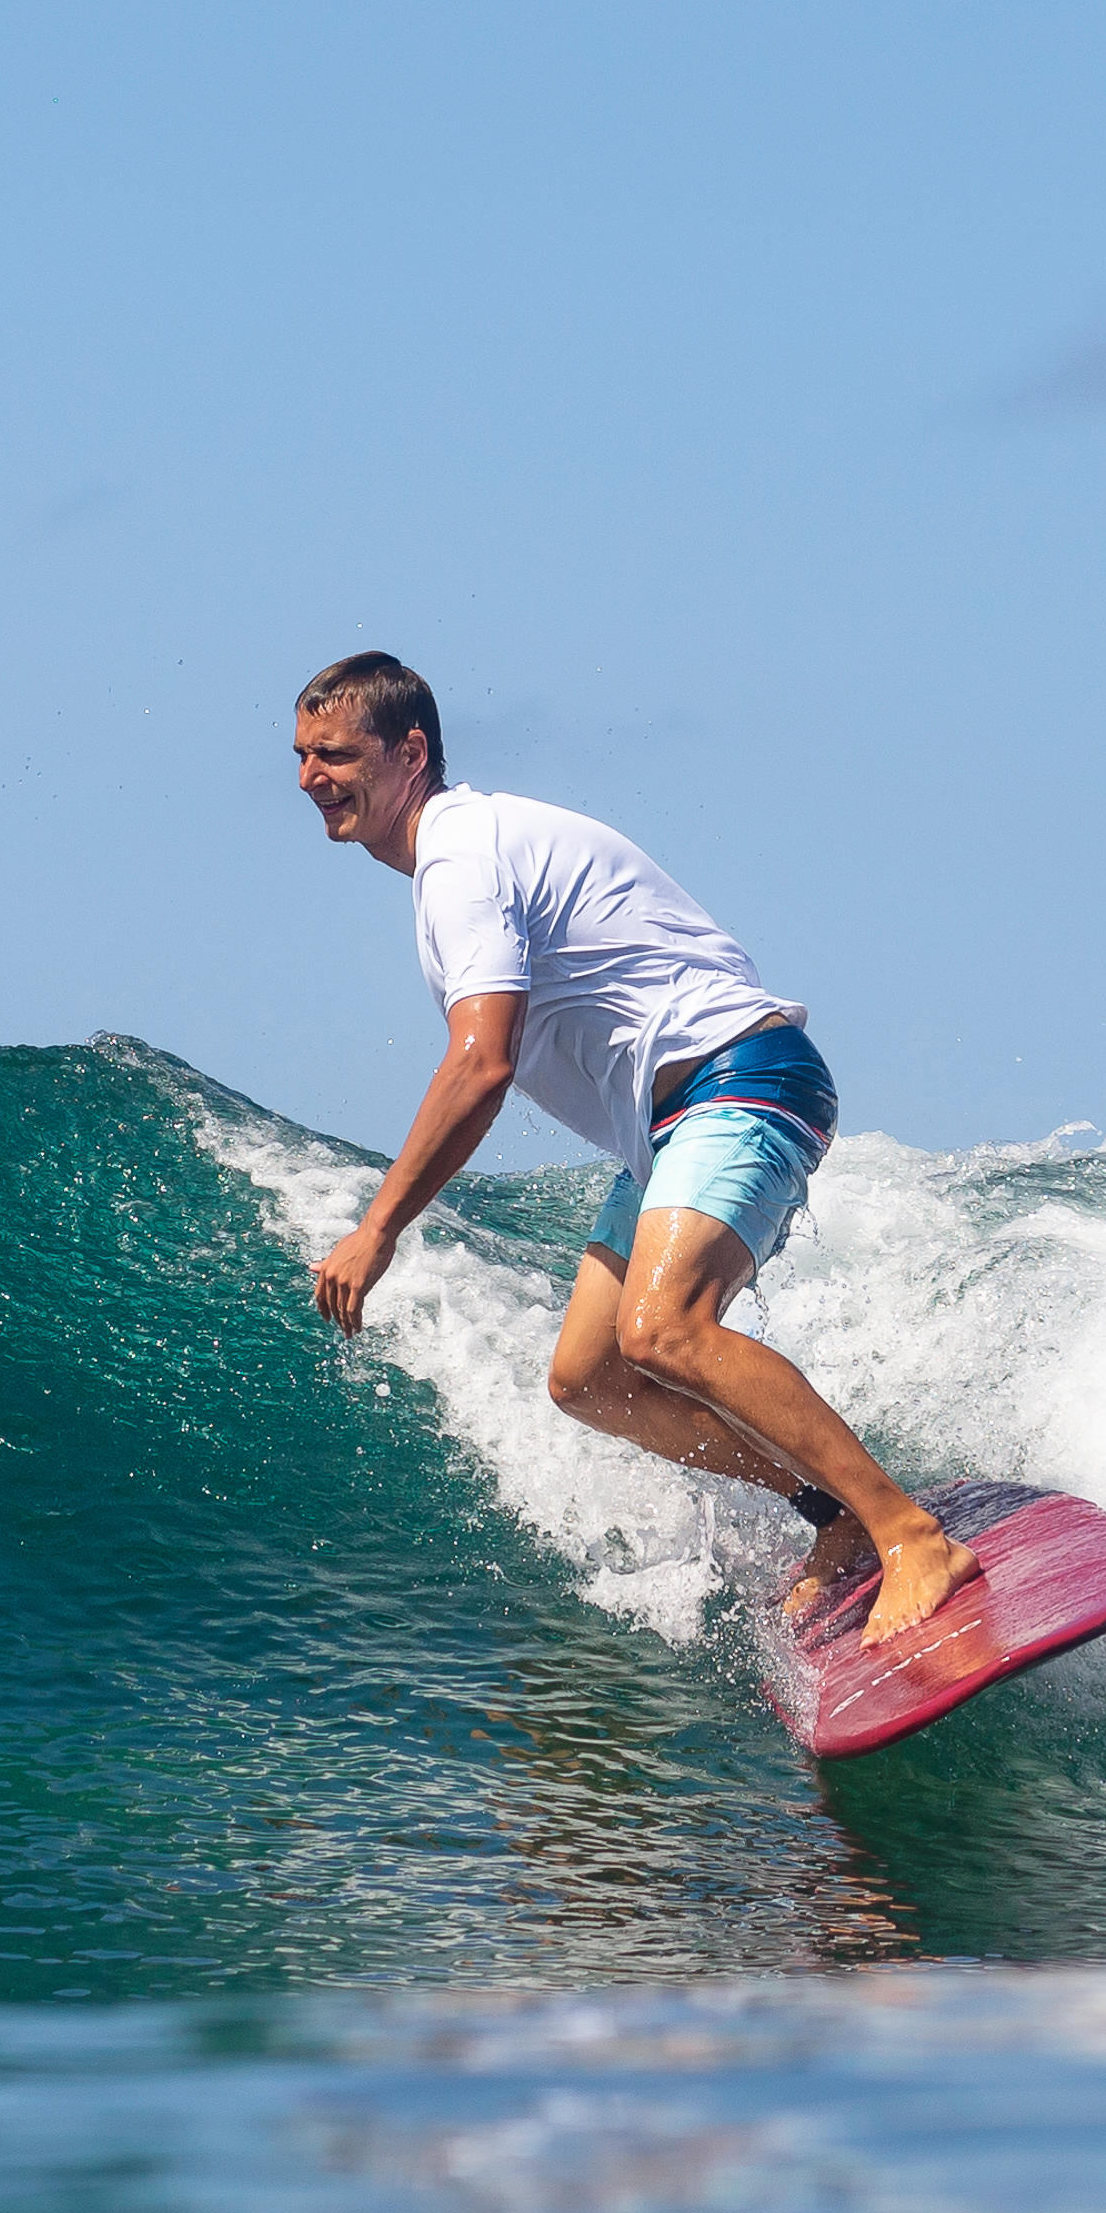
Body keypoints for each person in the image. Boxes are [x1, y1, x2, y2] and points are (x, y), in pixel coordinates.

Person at [293, 650, 980, 1645]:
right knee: (591, 1378)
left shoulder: (461, 856)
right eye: (304, 755)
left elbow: (480, 1065)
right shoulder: (462, 858)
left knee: (664, 1328)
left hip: (738, 1080)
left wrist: (379, 1230)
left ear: (411, 751)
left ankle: (911, 1534)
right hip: (675, 1124)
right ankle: (835, 1516)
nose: (313, 777)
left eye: (337, 753)